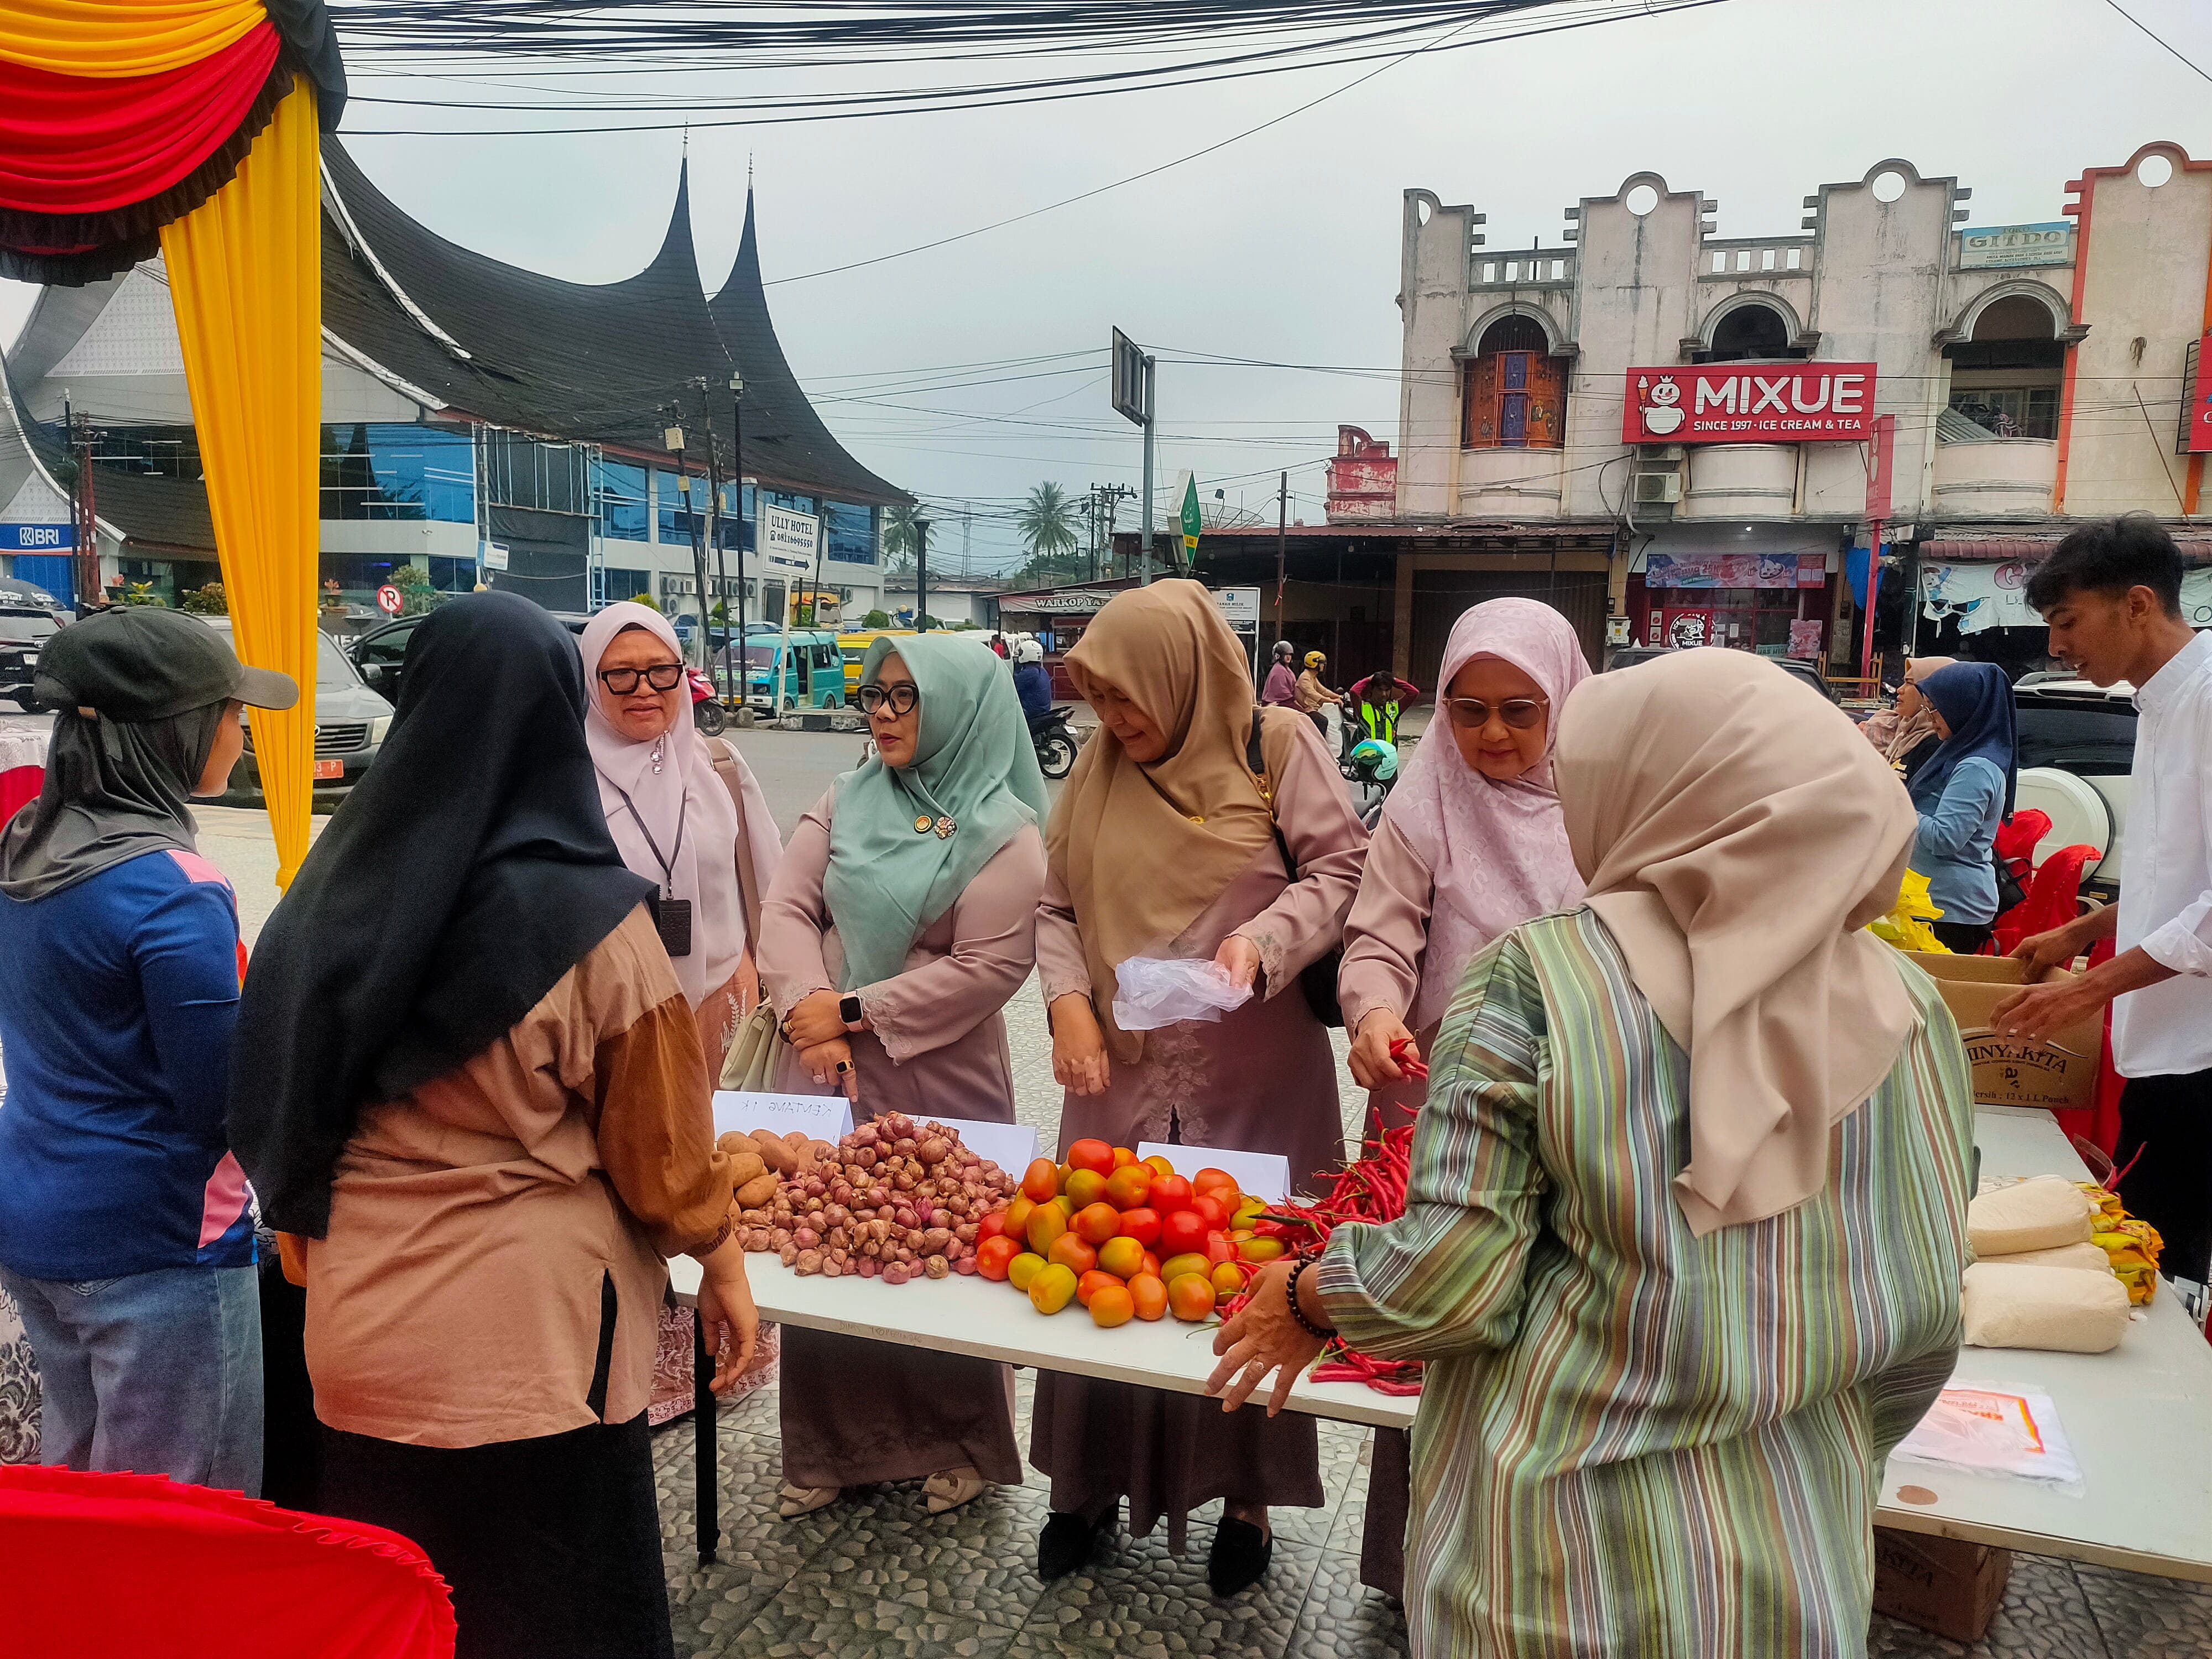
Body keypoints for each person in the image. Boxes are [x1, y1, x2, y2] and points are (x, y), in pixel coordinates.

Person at [1208, 648, 1975, 1657]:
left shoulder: (1537, 982)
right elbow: (1929, 1314)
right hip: (1793, 1565)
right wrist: (1801, 1438)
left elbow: (1450, 1288)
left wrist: (1308, 1293)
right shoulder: (1912, 1005)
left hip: (1556, 1570)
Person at [228, 593, 757, 1659]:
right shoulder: (592, 922)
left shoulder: (327, 892)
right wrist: (725, 1262)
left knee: (402, 1614)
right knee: (557, 1617)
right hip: (538, 1364)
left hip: (361, 1341)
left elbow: (267, 1080)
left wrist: (301, 1227)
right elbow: (661, 1156)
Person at [1035, 580, 1368, 1593]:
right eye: (1099, 698)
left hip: (1254, 1076)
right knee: (1101, 1261)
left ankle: (1246, 1500)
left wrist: (1265, 939)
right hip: (1119, 1077)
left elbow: (1345, 869)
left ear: (1182, 675)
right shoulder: (1099, 766)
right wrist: (1068, 1003)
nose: (1115, 718)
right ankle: (1083, 1488)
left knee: (1251, 1276)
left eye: (1127, 695)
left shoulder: (1278, 746)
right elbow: (1056, 906)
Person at [0, 609, 296, 1494]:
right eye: (232, 714)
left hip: (34, 1211)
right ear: (175, 730)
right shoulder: (174, 890)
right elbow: (220, 1102)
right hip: (159, 1240)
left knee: (80, 1497)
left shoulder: (20, 847)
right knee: (184, 1516)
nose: (243, 736)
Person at [1333, 599, 1589, 1598]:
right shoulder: (1426, 792)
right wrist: (1372, 1012)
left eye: (1520, 711)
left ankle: (1537, 1585)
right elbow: (1381, 931)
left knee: (1560, 1327)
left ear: (1564, 699)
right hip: (1435, 1087)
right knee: (1430, 1318)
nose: (1491, 735)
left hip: (1584, 1099)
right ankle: (1414, 1571)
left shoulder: (1613, 791)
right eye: (1466, 709)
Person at [760, 633, 1049, 1518]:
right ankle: (832, 1447)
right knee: (832, 1242)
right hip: (832, 1068)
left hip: (941, 1070)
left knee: (945, 1255)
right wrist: (809, 1011)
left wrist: (850, 1009)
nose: (883, 714)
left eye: (905, 697)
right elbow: (787, 907)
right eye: (874, 695)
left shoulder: (1005, 831)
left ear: (960, 708)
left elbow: (988, 970)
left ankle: (958, 1440)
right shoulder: (846, 798)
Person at [1996, 517, 2212, 1289]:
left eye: (2068, 621)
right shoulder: (2158, 703)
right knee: (2147, 1245)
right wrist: (2081, 932)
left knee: (2162, 1262)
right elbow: (2173, 872)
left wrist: (2091, 988)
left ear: (2138, 604)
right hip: (2167, 1042)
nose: (2057, 647)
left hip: (2200, 1050)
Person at [580, 602, 782, 1072]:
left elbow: (773, 883)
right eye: (621, 674)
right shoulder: (568, 783)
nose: (645, 688)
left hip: (727, 1002)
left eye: (661, 671)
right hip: (619, 1021)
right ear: (590, 680)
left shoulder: (716, 765)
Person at [1906, 661, 2016, 956]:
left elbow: (1945, 839)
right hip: (1933, 902)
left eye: (1935, 709)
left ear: (1962, 708)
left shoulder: (1975, 767)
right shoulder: (1957, 750)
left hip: (1950, 910)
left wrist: (1898, 807)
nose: (1929, 718)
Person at [1859, 654, 1957, 784]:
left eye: (1909, 683)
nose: (1900, 690)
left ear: (1931, 691)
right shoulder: (1904, 733)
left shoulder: (1935, 744)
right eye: (1904, 682)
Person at [1348, 667, 1419, 747]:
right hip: (1366, 754)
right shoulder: (1362, 707)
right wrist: (1369, 679)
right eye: (1380, 690)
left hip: (1389, 754)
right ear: (1372, 689)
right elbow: (1354, 691)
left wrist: (1393, 681)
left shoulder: (1395, 707)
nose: (1384, 694)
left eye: (1387, 690)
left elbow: (1414, 692)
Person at [1293, 649, 1344, 746]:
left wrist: (1339, 696)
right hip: (1306, 709)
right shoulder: (1305, 677)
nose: (1323, 666)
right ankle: (1318, 747)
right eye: (1322, 664)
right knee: (1322, 721)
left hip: (1313, 707)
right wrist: (1333, 701)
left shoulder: (1312, 676)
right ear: (1314, 663)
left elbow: (1324, 691)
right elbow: (1315, 695)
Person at [1013, 635, 1053, 723]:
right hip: (1041, 710)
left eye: (1021, 653)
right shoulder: (1041, 670)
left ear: (1026, 654)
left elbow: (1013, 685)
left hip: (1030, 712)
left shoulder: (1030, 673)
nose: (1019, 655)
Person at [1261, 638, 1298, 706]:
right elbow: (1282, 692)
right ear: (1279, 656)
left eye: (1290, 655)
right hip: (1278, 702)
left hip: (1285, 700)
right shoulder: (1279, 670)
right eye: (1286, 654)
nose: (1288, 657)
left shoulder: (1286, 669)